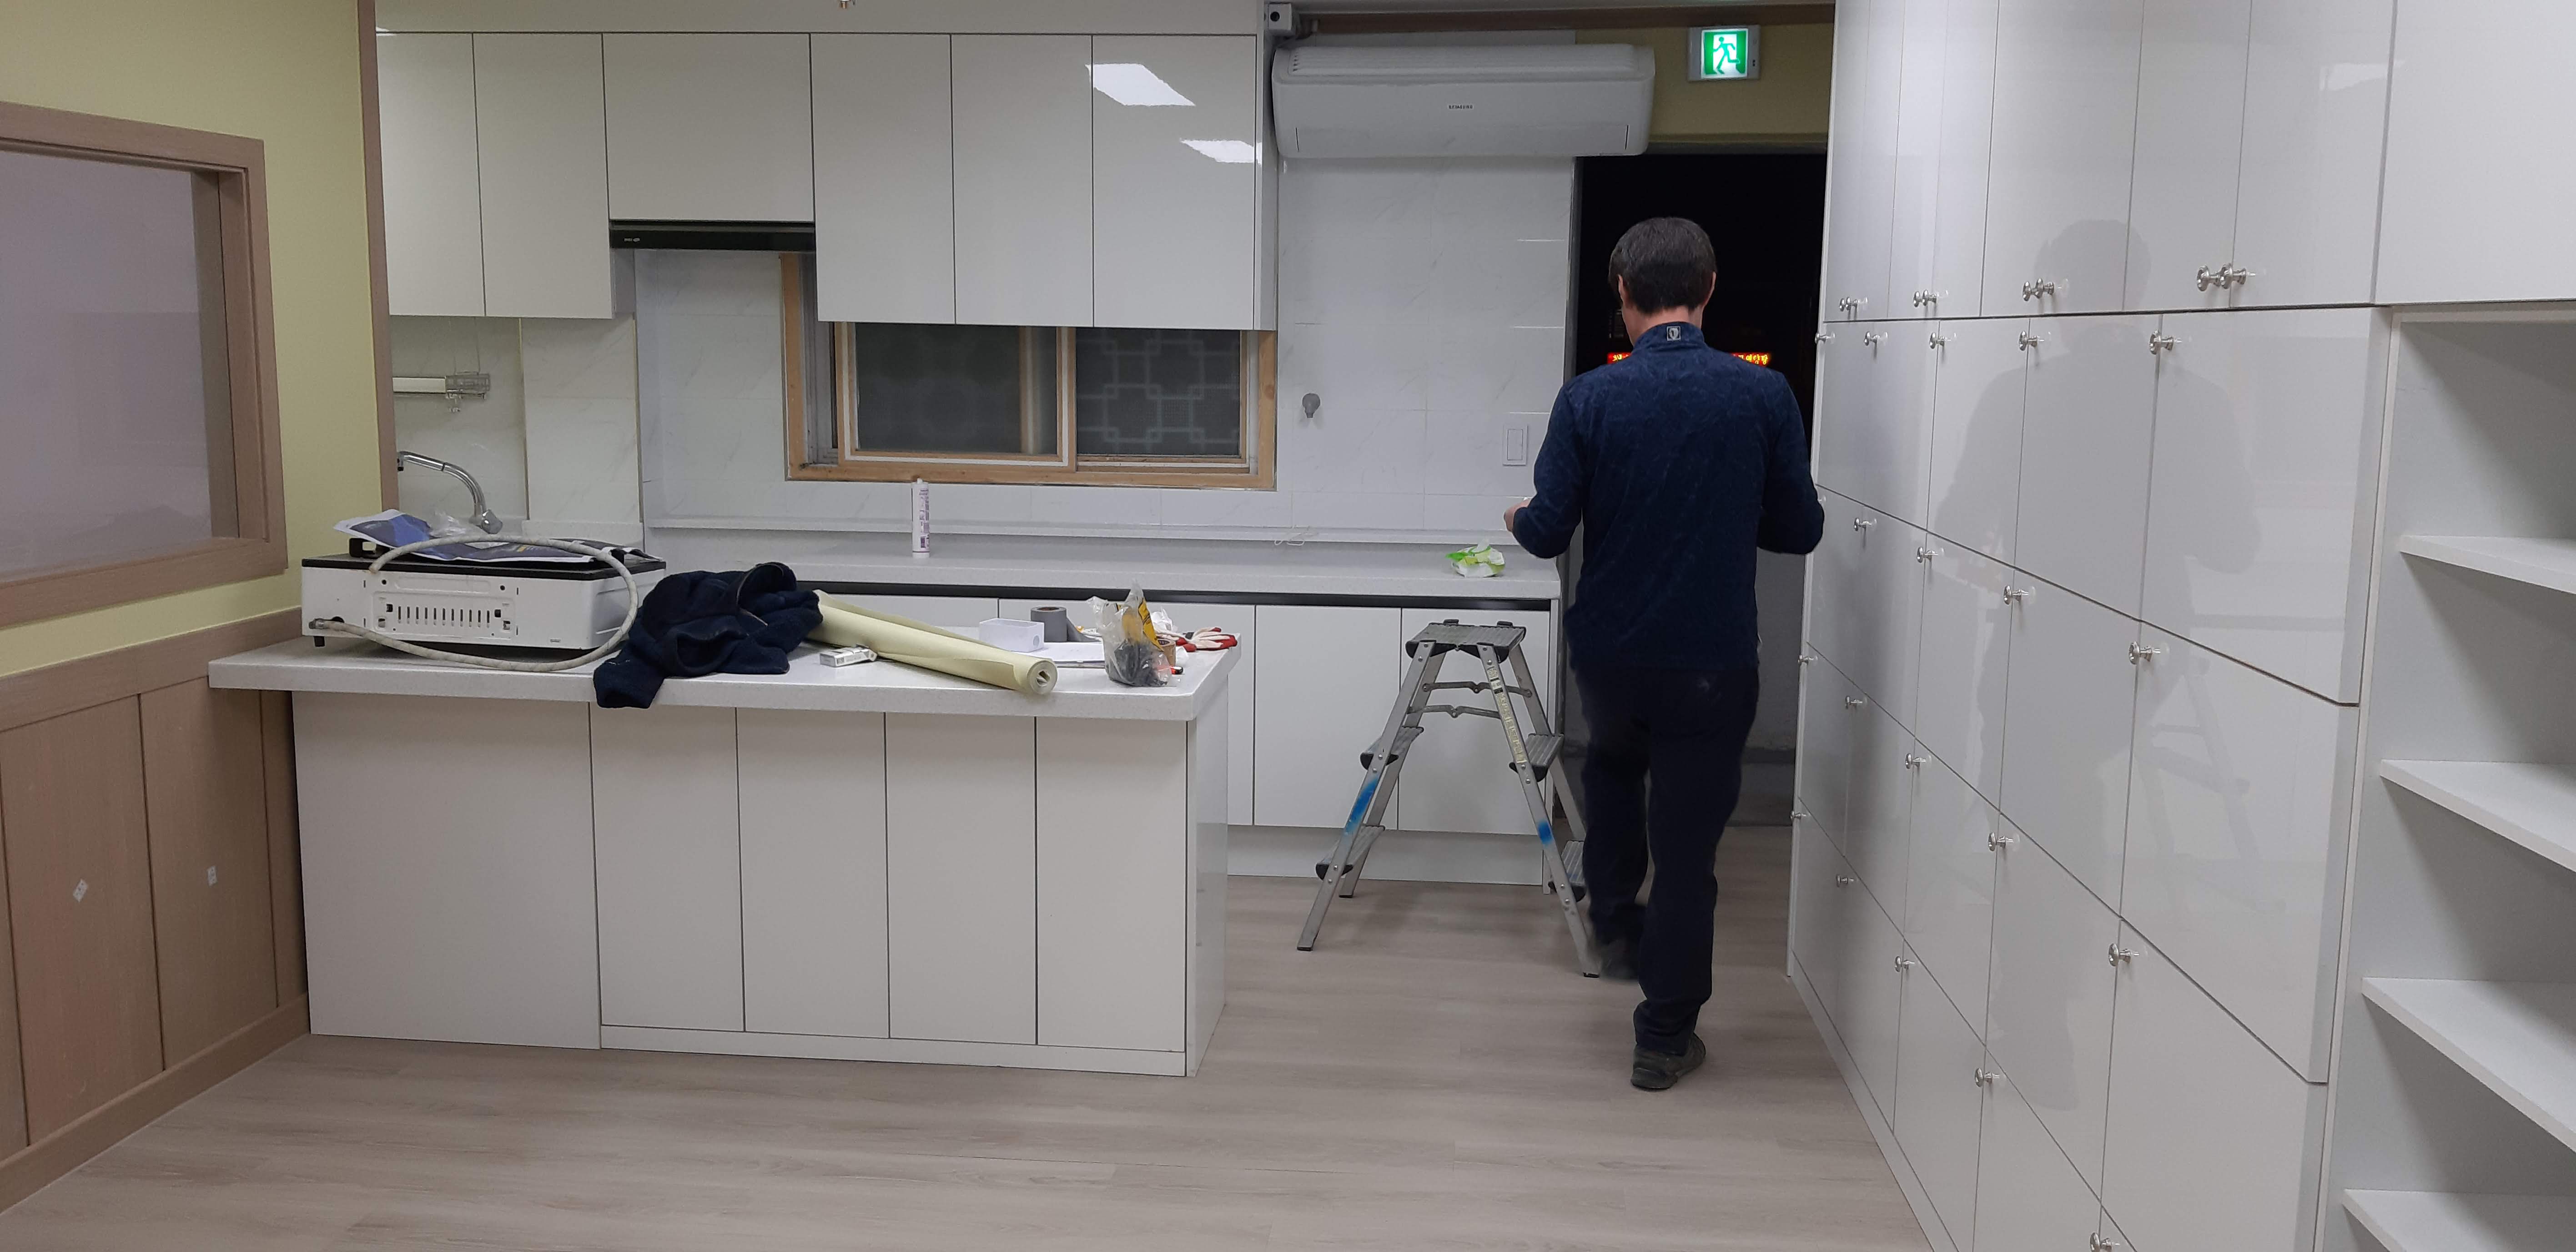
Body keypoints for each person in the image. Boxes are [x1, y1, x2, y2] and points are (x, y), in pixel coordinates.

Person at [1505, 217, 1824, 1090]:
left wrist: (1518, 518)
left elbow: (1547, 532)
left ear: (1622, 293)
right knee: (1688, 854)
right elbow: (1800, 530)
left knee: (1612, 767)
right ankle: (1662, 1038)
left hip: (1611, 657)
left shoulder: (1589, 398)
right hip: (1711, 663)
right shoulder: (1762, 395)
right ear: (1709, 289)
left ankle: (1614, 922)